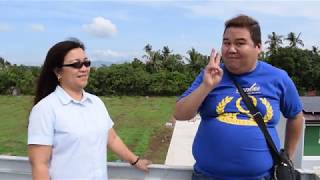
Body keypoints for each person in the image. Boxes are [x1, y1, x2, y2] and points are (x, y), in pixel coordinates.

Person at [174, 15, 304, 180]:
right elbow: (180, 114)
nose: (231, 49)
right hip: (207, 176)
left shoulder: (278, 78)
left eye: (240, 43)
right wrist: (206, 86)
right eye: (226, 43)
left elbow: (296, 116)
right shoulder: (210, 74)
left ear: (258, 47)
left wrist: (287, 157)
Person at [28, 38, 151, 180]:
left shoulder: (96, 103)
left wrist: (135, 161)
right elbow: (39, 165)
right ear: (58, 72)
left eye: (86, 63)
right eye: (76, 64)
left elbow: (112, 138)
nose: (84, 68)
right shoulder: (45, 109)